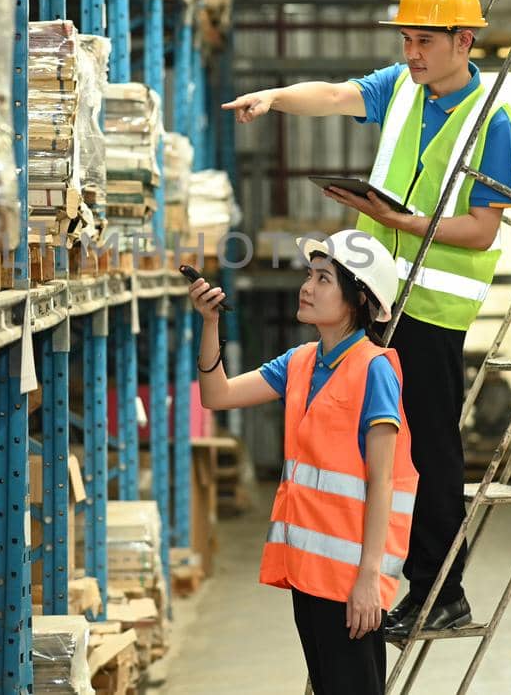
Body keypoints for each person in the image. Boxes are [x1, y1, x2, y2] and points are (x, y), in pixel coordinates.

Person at [220, 0, 511, 635]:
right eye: (408, 41)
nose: (412, 54)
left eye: (423, 41)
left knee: (432, 451)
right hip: (384, 301)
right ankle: (404, 580)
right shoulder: (401, 92)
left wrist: (397, 219)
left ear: (462, 41)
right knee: (393, 450)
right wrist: (272, 98)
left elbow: (482, 228)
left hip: (434, 311)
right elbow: (332, 94)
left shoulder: (491, 121)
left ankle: (443, 589)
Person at [188, 230, 416, 695]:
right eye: (310, 275)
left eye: (324, 279)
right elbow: (217, 395)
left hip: (351, 578)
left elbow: (382, 483)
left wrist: (369, 580)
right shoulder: (301, 362)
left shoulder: (374, 369)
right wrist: (210, 323)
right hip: (309, 575)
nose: (307, 287)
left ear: (357, 299)